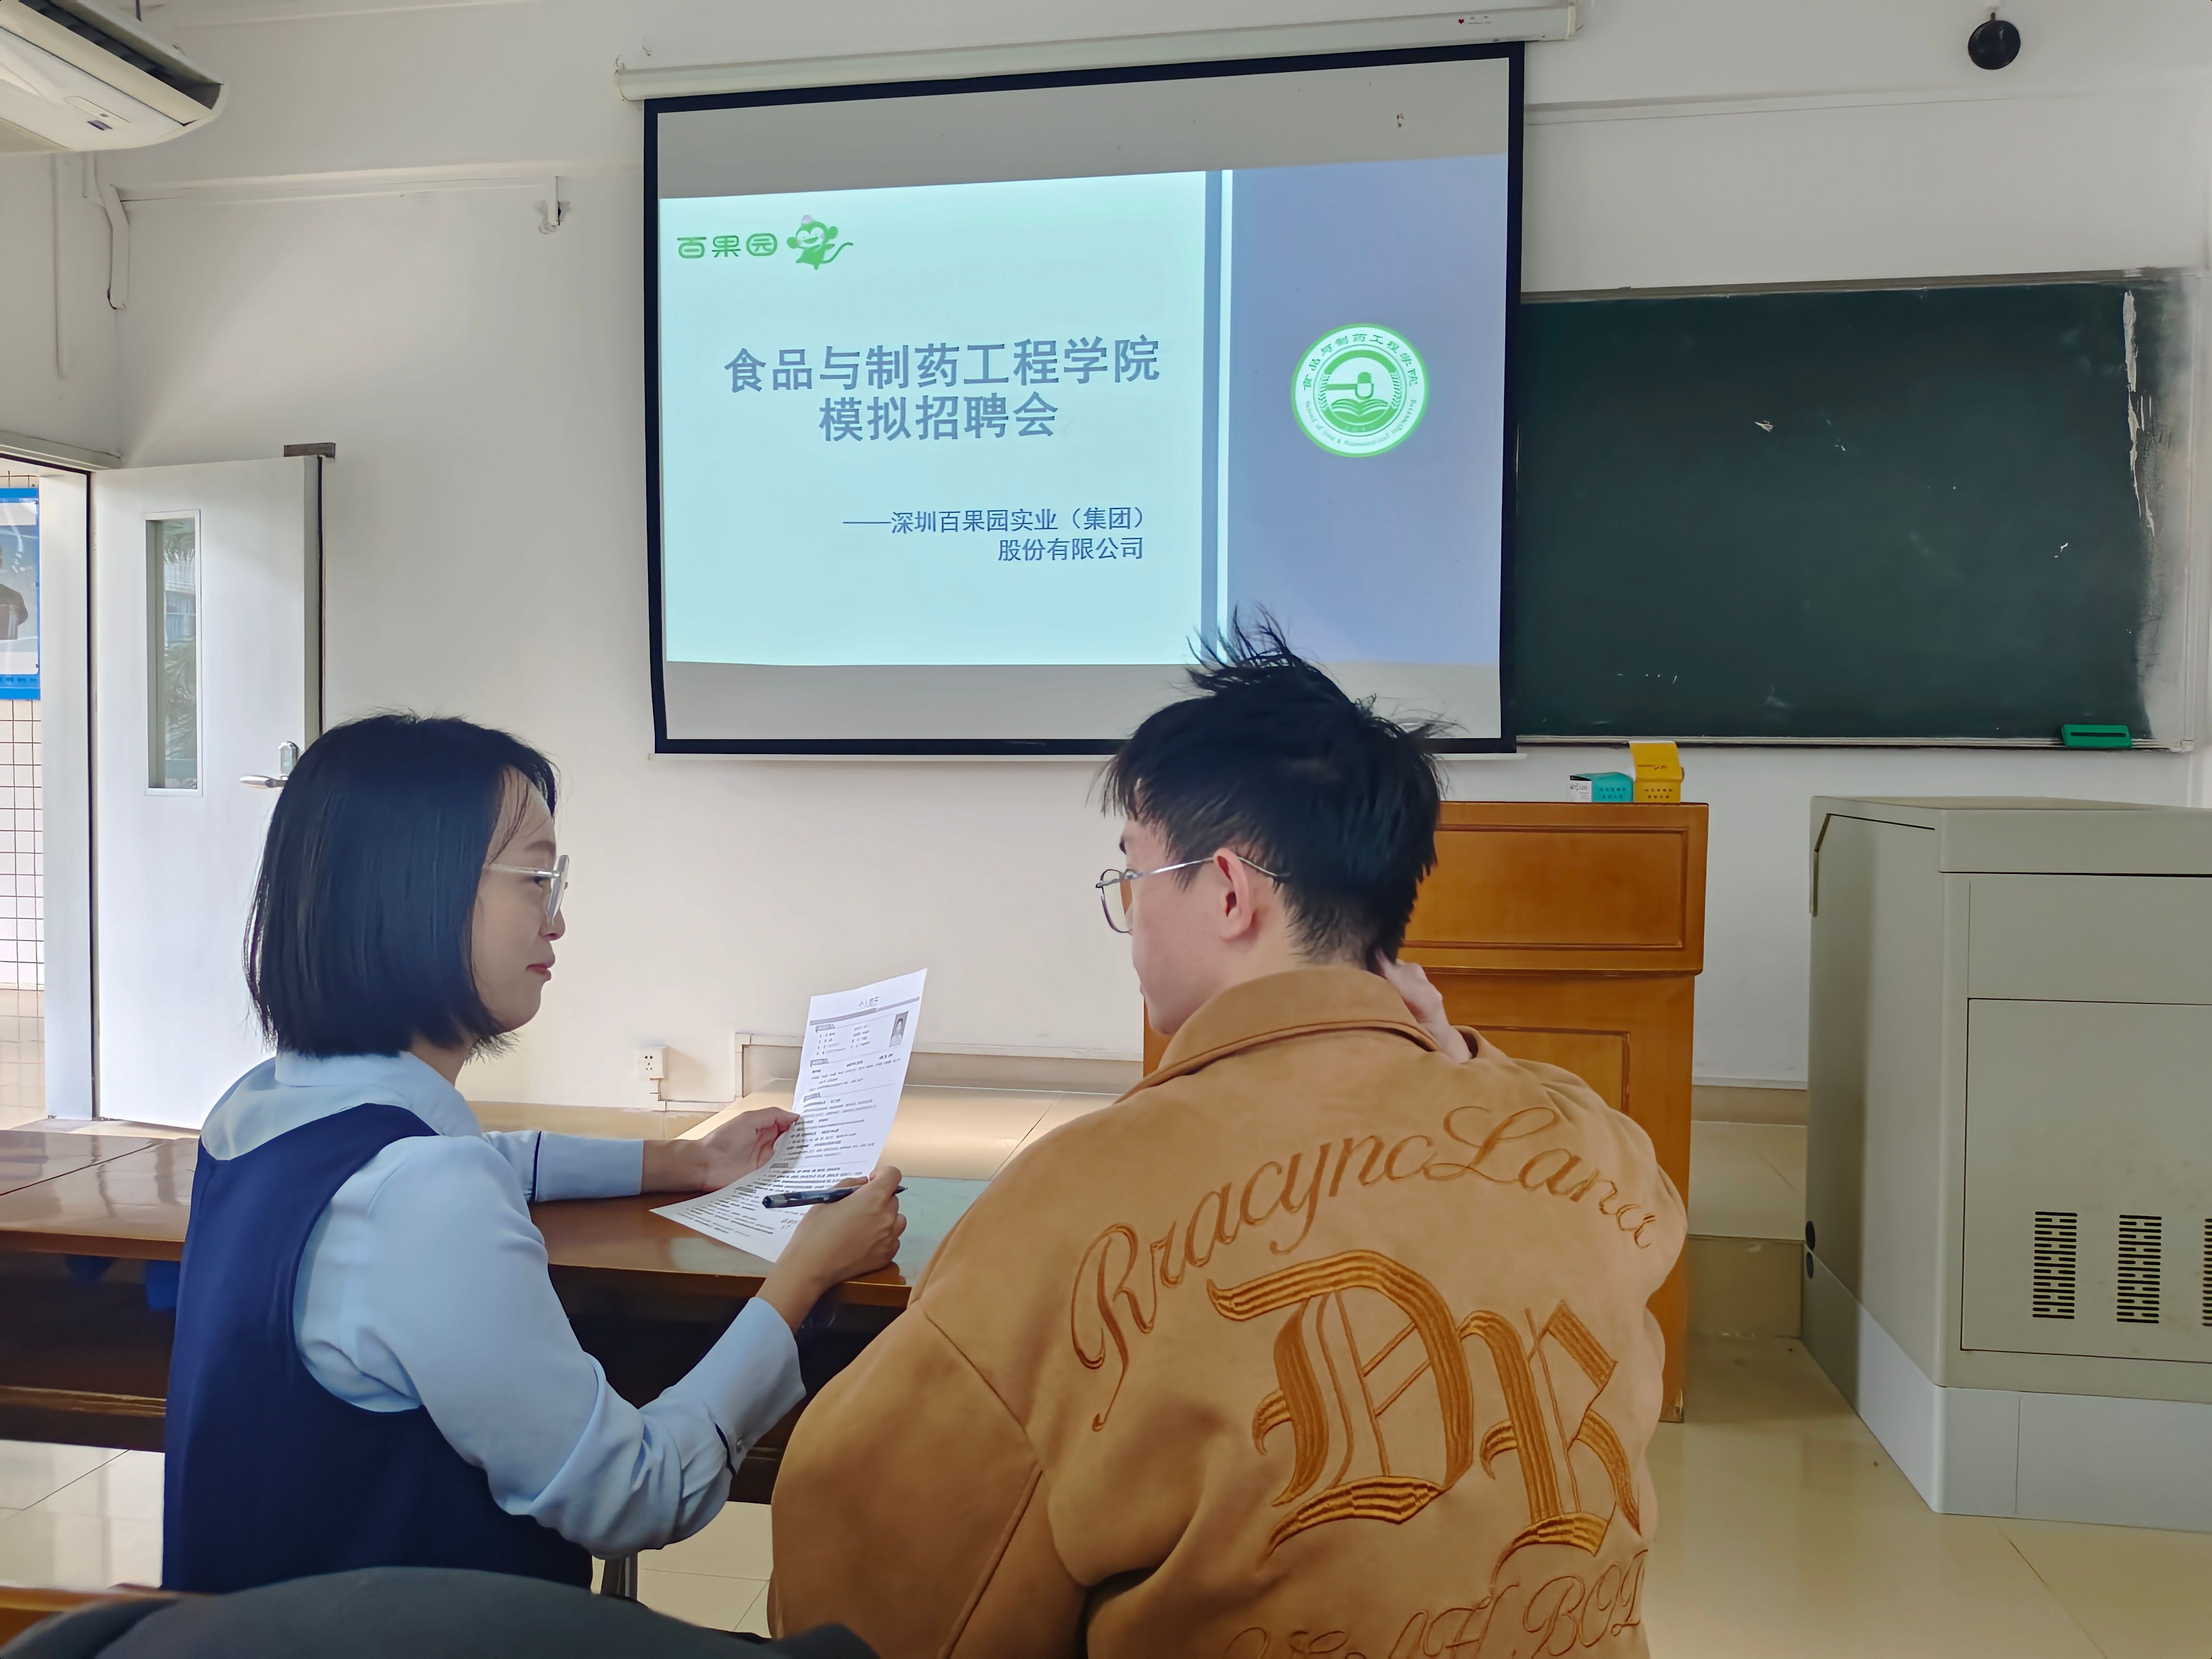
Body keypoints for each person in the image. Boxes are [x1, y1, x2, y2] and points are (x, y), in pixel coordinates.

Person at [767, 628, 1686, 1658]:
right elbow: (1608, 1158)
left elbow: (866, 1591)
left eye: (1134, 876)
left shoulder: (1074, 1198)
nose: (1130, 915)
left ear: (1229, 890)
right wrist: (1465, 1053)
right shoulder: (1592, 1148)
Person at [162, 714, 905, 1594]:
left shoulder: (257, 1110)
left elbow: (475, 1159)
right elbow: (636, 1493)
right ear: (418, 892)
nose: (558, 920)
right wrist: (802, 1278)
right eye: (537, 880)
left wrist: (683, 1163)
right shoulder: (425, 1194)